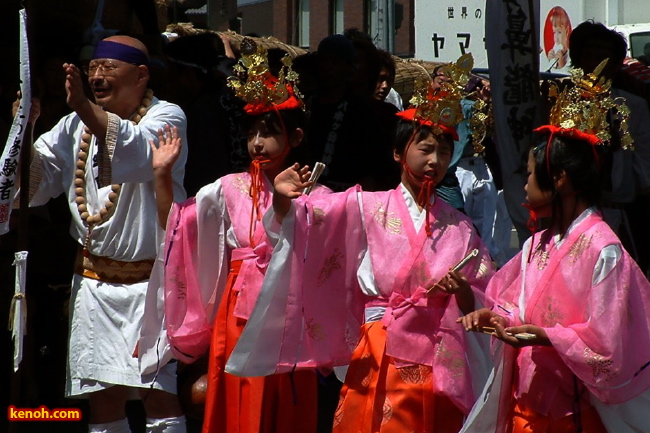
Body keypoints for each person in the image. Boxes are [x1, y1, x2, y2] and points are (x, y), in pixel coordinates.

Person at [226, 76, 494, 432]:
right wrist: (283, 200)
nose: (434, 161)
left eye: (443, 152)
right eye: (425, 149)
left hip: (440, 355)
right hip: (380, 344)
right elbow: (308, 221)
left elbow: (484, 292)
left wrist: (462, 291)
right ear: (398, 154)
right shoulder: (367, 206)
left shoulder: (460, 227)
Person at [458, 62, 650, 433]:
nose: (526, 183)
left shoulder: (603, 249)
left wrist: (545, 335)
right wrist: (497, 318)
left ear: (559, 178)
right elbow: (518, 308)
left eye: (531, 173)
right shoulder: (536, 244)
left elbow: (608, 347)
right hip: (525, 406)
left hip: (571, 414)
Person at [145, 39, 325, 433]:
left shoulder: (316, 193)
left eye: (270, 132)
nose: (258, 142)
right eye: (252, 132)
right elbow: (178, 230)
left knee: (284, 407)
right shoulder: (226, 189)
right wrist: (161, 176)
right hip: (237, 314)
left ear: (295, 138)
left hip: (289, 314)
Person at [12, 35, 188, 432]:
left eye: (109, 67)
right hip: (92, 283)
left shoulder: (168, 117)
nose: (97, 75)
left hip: (150, 284)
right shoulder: (76, 124)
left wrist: (83, 108)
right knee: (102, 398)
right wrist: (24, 131)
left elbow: (140, 153)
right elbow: (37, 184)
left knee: (159, 395)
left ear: (141, 75)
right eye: (93, 67)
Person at [569, 20, 650, 275]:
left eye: (603, 56)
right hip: (569, 214)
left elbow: (645, 165)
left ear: (616, 64)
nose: (595, 63)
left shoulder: (633, 106)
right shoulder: (560, 101)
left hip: (618, 213)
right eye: (589, 54)